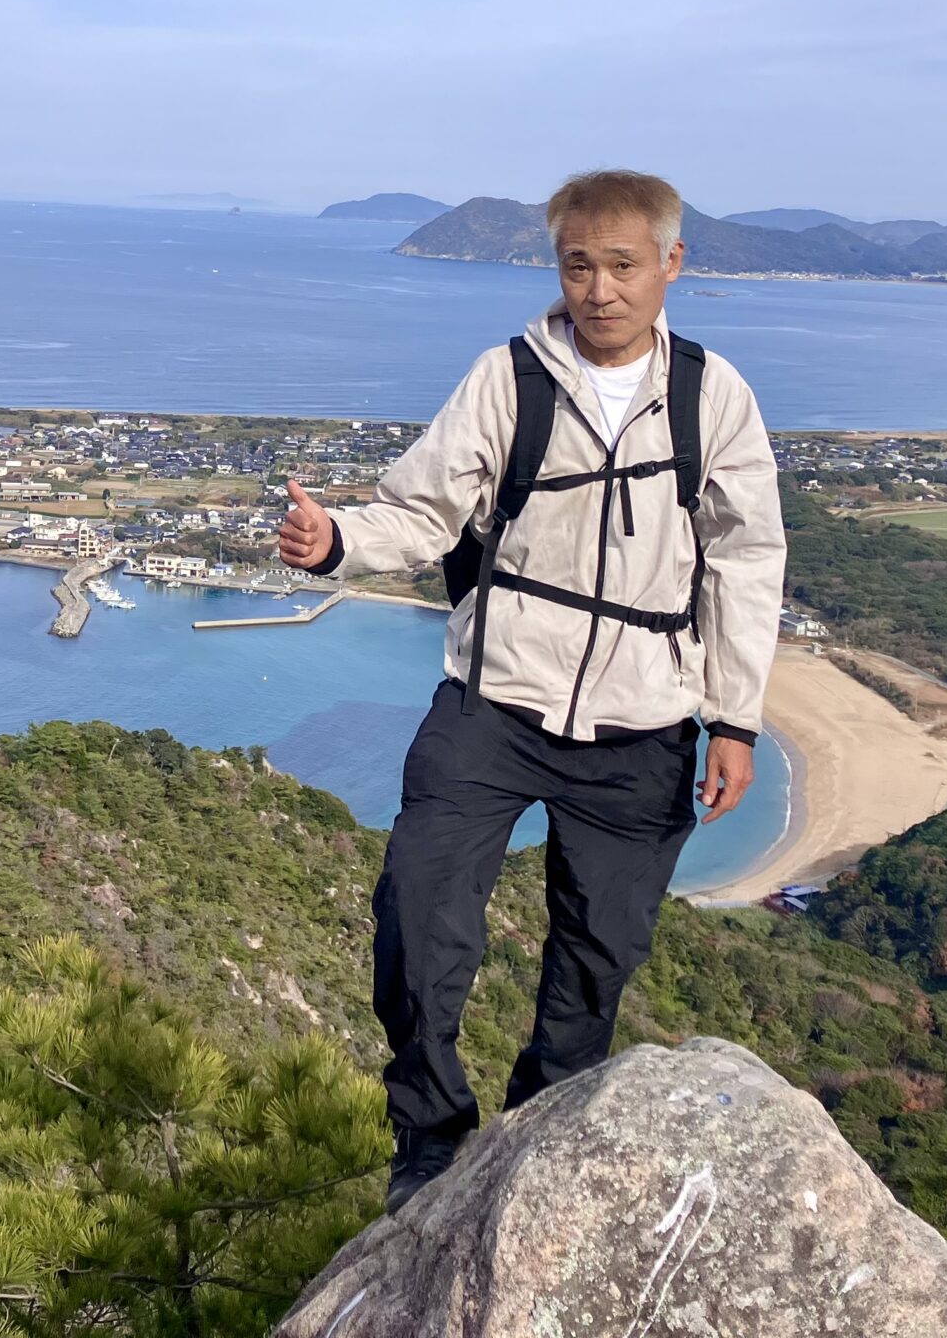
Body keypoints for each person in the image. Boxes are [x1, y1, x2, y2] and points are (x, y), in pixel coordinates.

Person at [278, 168, 785, 1214]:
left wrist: (733, 719)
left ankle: (543, 1126)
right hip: (493, 698)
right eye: (577, 264)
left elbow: (746, 561)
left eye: (622, 265)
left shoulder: (711, 395)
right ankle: (429, 1136)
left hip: (643, 719)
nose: (599, 289)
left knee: (596, 959)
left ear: (670, 265)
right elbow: (419, 512)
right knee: (418, 917)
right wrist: (337, 544)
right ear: (556, 266)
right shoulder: (506, 379)